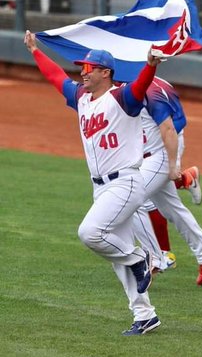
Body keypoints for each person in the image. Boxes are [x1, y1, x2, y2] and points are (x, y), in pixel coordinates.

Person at [24, 31, 162, 335]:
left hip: (125, 182)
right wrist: (35, 50)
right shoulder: (81, 99)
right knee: (118, 254)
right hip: (100, 187)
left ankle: (143, 258)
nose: (82, 72)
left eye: (87, 68)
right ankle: (145, 315)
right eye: (82, 68)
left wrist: (150, 65)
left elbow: (141, 86)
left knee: (90, 232)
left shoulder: (122, 97)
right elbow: (55, 76)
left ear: (105, 73)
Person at [133, 76, 202, 285]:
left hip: (161, 152)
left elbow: (171, 127)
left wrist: (173, 164)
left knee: (130, 199)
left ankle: (153, 258)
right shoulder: (154, 83)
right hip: (158, 151)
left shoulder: (151, 87)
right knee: (171, 208)